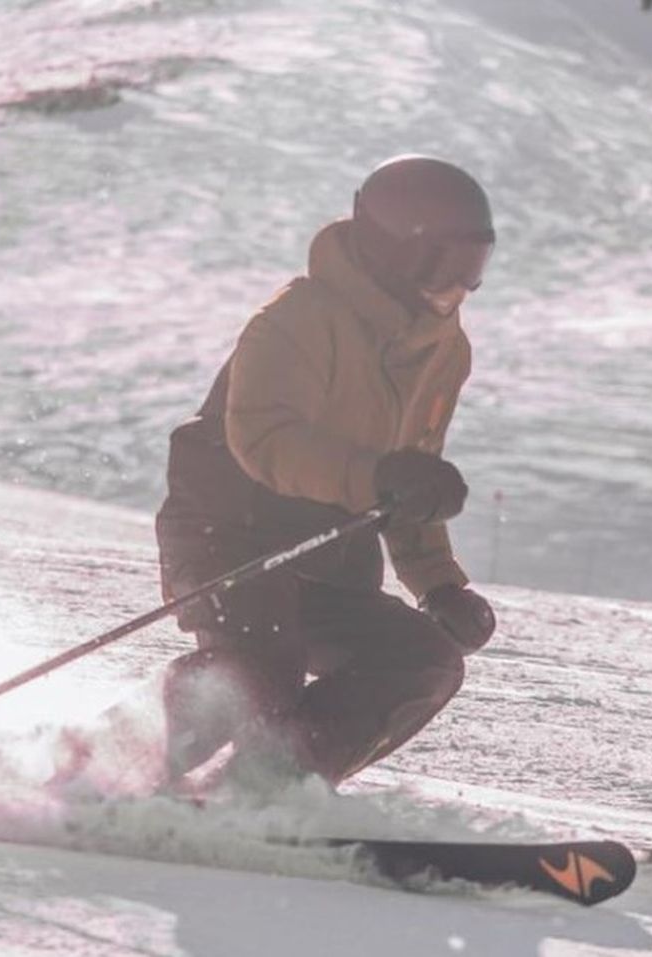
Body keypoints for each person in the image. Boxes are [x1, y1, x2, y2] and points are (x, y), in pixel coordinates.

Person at [152, 155, 498, 792]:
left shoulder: (444, 349)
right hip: (228, 533)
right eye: (444, 269)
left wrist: (438, 585)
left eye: (473, 272)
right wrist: (381, 477)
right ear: (393, 252)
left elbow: (404, 481)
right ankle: (109, 765)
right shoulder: (298, 320)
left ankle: (271, 790)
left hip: (327, 551)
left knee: (421, 661)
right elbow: (263, 438)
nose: (458, 291)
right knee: (256, 673)